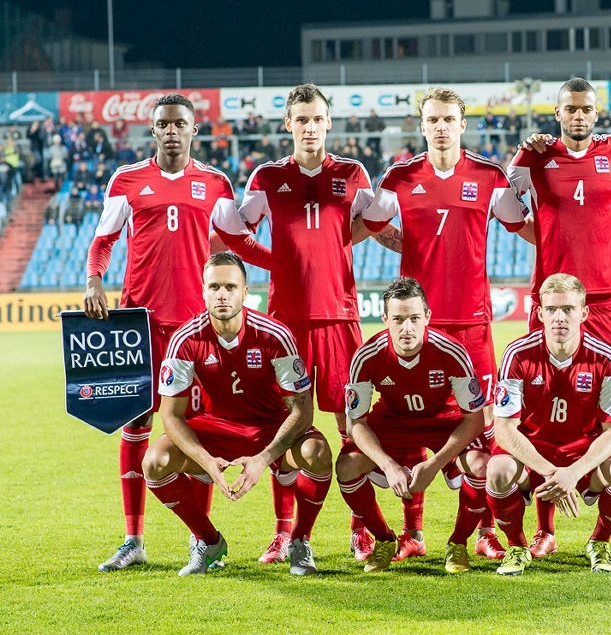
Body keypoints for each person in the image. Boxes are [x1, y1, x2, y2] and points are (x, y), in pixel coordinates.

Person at [84, 93, 271, 572]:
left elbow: (238, 241)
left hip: (194, 330)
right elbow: (103, 241)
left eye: (179, 124)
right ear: (153, 130)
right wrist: (93, 280)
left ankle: (201, 542)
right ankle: (133, 539)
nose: (171, 131)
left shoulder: (214, 183)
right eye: (163, 124)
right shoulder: (126, 181)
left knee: (195, 433)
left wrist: (284, 263)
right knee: (135, 428)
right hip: (138, 324)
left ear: (193, 130)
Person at [236, 83, 401, 565]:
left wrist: (341, 246)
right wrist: (279, 263)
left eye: (318, 119)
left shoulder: (351, 173)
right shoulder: (266, 178)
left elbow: (373, 222)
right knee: (283, 426)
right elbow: (234, 233)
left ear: (330, 123)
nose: (310, 127)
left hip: (340, 316)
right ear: (288, 124)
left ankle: (361, 530)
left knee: (352, 424)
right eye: (301, 119)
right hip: (284, 324)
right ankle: (284, 533)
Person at [361, 86, 526, 561]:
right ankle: (412, 531)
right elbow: (369, 225)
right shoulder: (400, 177)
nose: (440, 127)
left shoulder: (489, 176)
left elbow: (520, 222)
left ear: (462, 123)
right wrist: (401, 242)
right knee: (414, 422)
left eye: (448, 119)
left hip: (472, 322)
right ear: (422, 125)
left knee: (484, 429)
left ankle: (485, 531)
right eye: (432, 119)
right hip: (418, 326)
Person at [507, 77, 611, 558]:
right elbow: (506, 209)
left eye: (586, 108)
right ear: (557, 113)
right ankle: (544, 527)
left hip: (605, 300)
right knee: (540, 408)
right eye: (570, 109)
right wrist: (546, 235)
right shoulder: (534, 158)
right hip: (550, 300)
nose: (579, 116)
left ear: (596, 112)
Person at [143, 253, 331, 576]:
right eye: (214, 286)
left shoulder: (275, 335)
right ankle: (208, 540)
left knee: (318, 453)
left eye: (230, 286)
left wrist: (263, 458)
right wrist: (204, 459)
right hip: (215, 431)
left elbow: (303, 410)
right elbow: (171, 416)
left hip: (270, 430)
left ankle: (300, 541)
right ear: (202, 291)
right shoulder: (184, 341)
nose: (222, 294)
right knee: (154, 462)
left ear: (245, 292)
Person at [486, 274, 611, 575]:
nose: (559, 318)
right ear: (540, 313)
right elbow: (504, 428)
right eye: (552, 309)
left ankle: (599, 542)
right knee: (498, 471)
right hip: (535, 451)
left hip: (583, 452)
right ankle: (517, 547)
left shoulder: (607, 357)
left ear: (583, 313)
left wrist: (574, 472)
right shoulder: (517, 353)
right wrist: (550, 472)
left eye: (568, 309)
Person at [336, 277, 489, 573]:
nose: (407, 328)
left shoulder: (452, 352)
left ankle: (457, 544)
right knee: (347, 466)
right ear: (384, 319)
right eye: (398, 319)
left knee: (482, 465)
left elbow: (475, 419)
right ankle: (383, 540)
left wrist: (435, 463)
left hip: (442, 420)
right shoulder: (367, 356)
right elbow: (356, 422)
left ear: (427, 318)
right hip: (393, 420)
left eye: (414, 319)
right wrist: (388, 464)